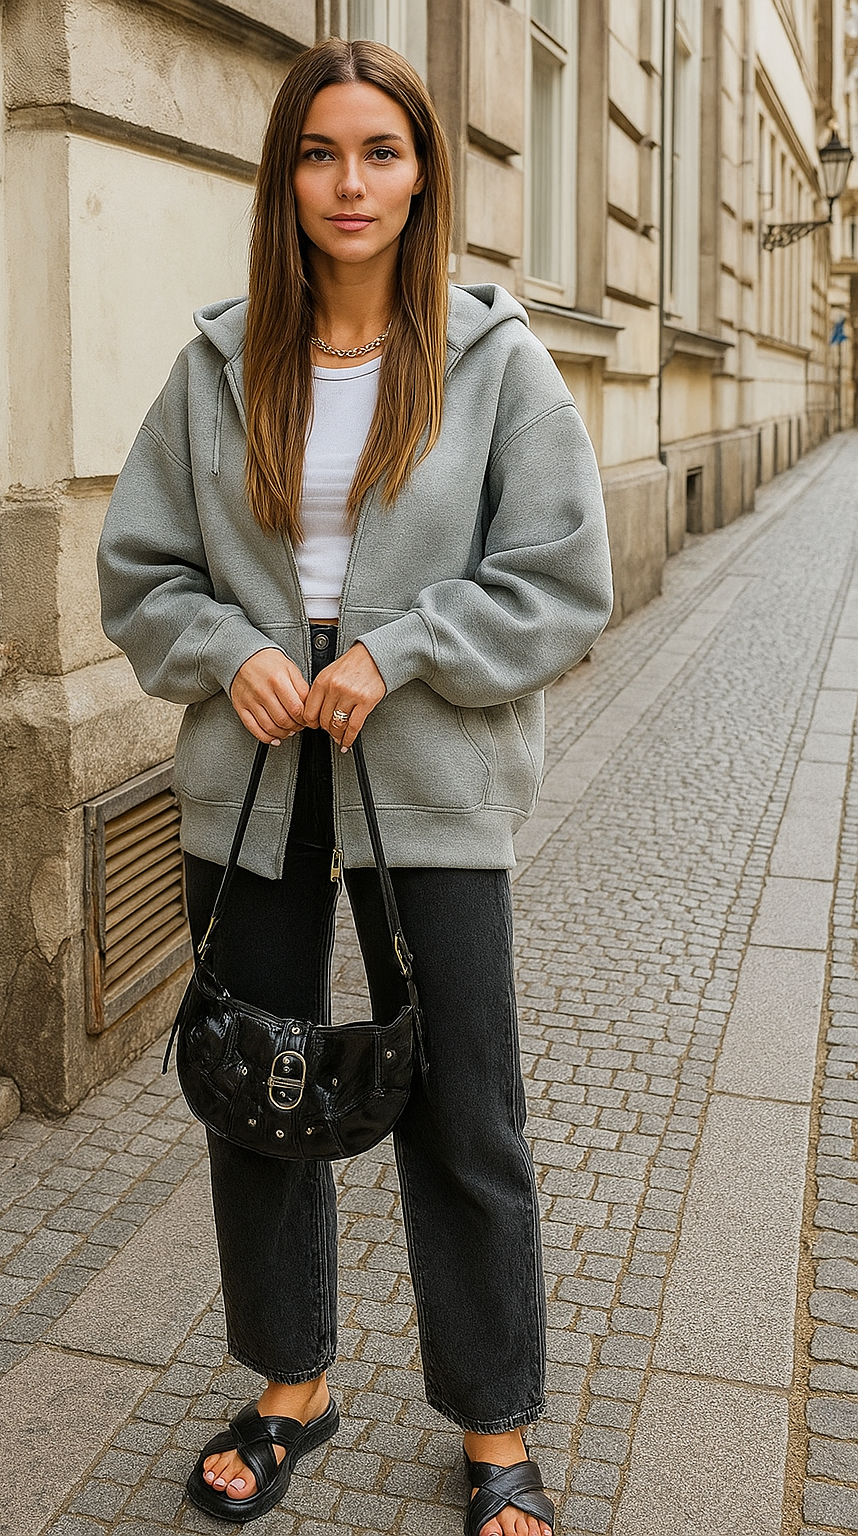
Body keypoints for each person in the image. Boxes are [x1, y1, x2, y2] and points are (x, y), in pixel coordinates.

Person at [97, 36, 612, 1536]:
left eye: (381, 151)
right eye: (320, 152)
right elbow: (141, 572)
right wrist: (227, 652)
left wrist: (405, 647)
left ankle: (496, 1421)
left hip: (428, 782)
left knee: (466, 1109)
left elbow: (561, 580)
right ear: (286, 177)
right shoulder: (216, 365)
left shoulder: (496, 362)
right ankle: (292, 1385)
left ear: (423, 175)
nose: (350, 182)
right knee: (261, 1094)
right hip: (255, 783)